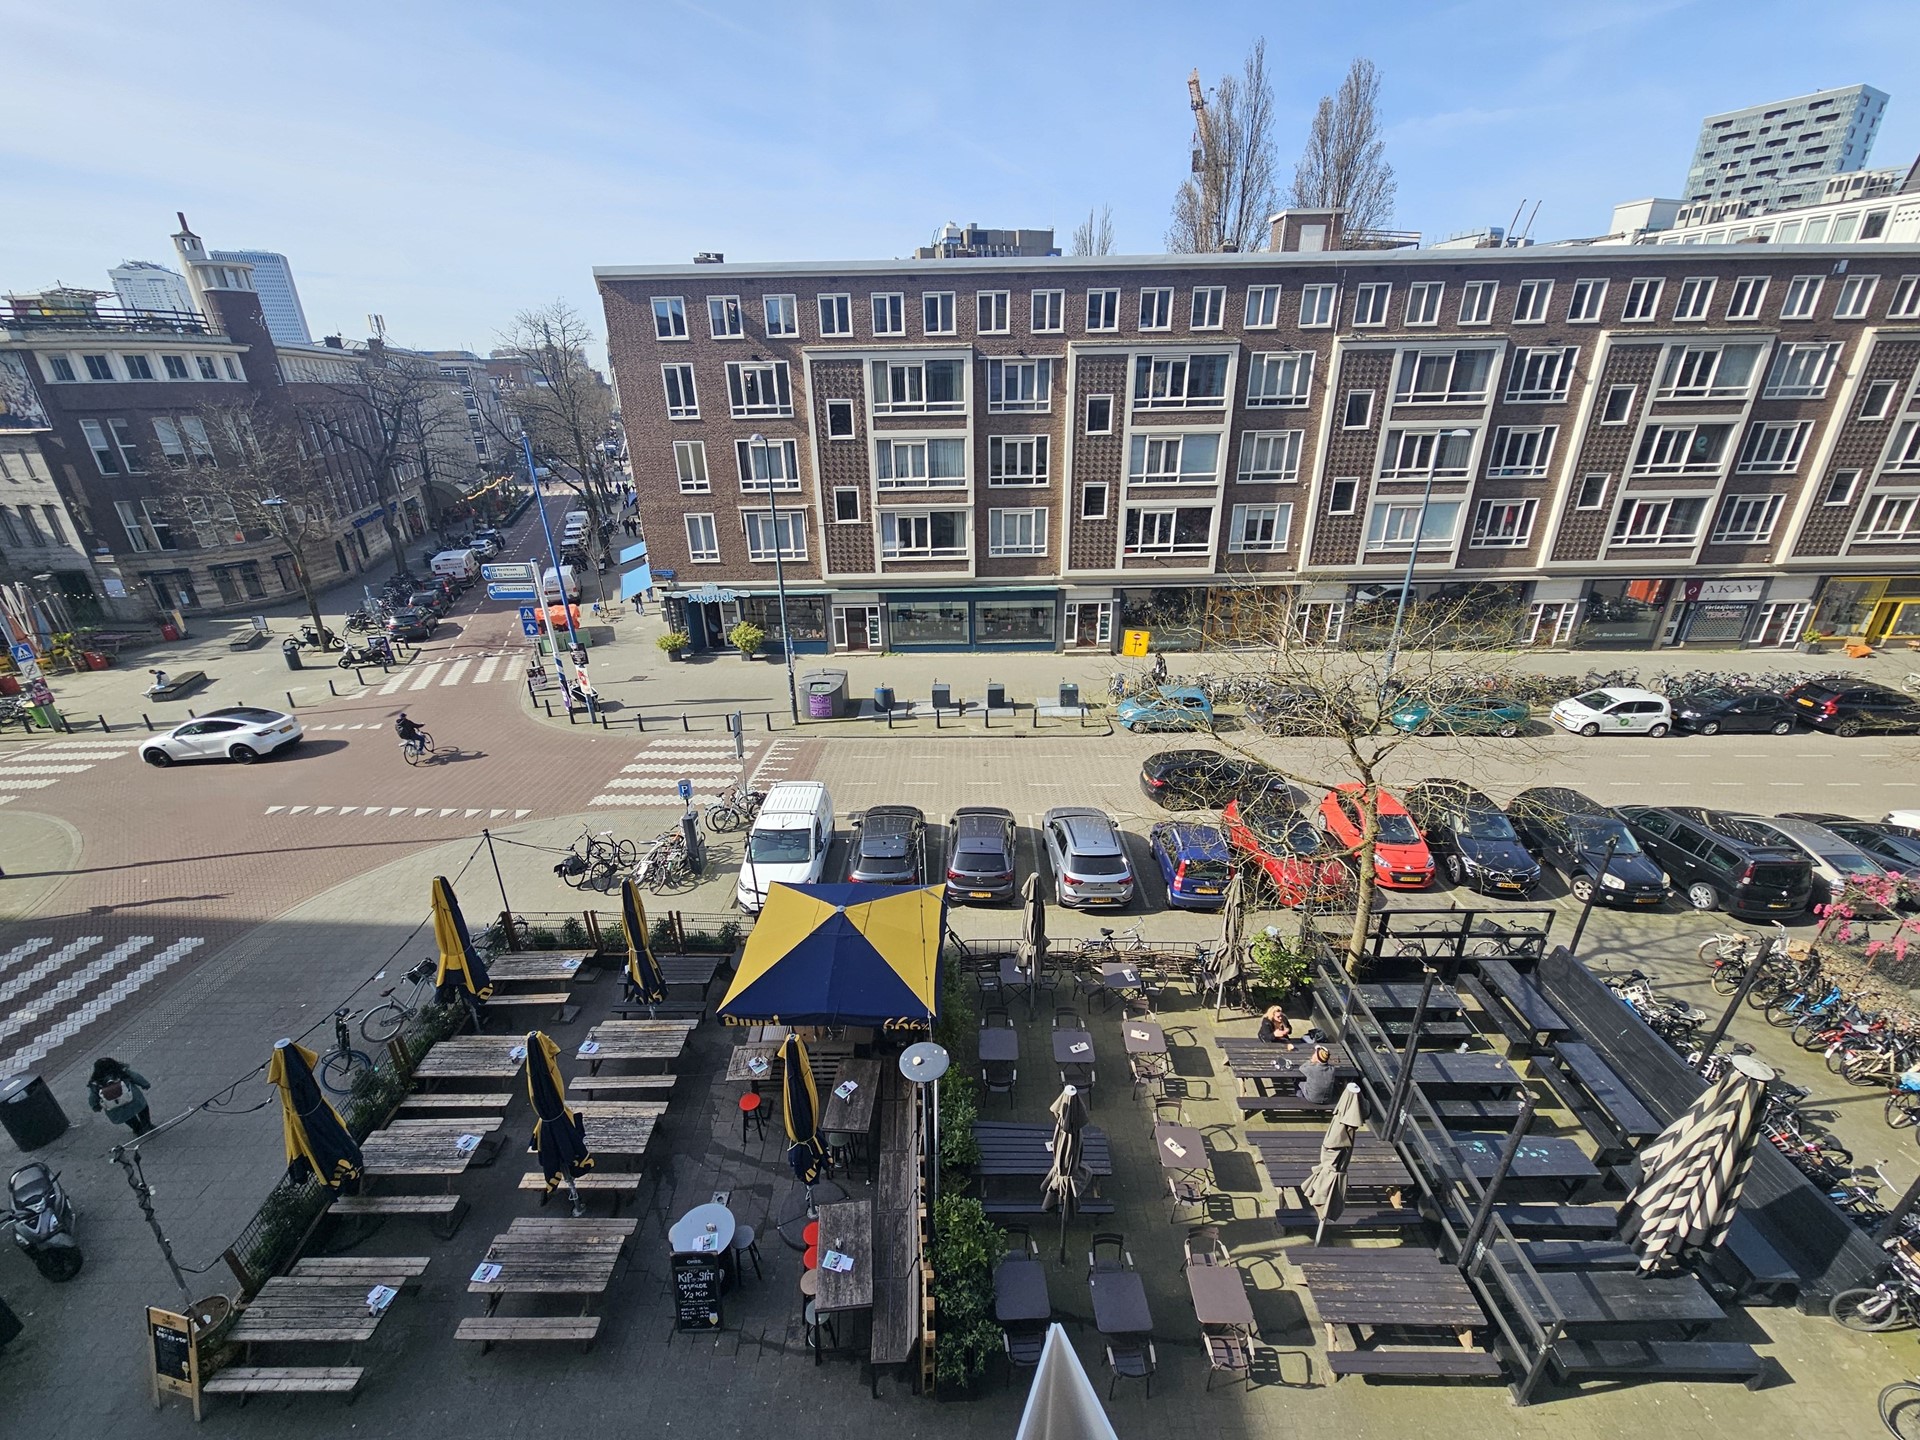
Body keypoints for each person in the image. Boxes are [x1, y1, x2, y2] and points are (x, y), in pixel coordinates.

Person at [88, 1057, 153, 1135]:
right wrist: (145, 1084)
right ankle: (147, 1124)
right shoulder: (121, 1072)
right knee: (142, 1109)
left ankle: (137, 1129)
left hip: (115, 1105)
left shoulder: (96, 1083)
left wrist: (95, 1107)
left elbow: (92, 1097)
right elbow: (136, 1077)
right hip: (133, 1099)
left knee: (126, 1116)